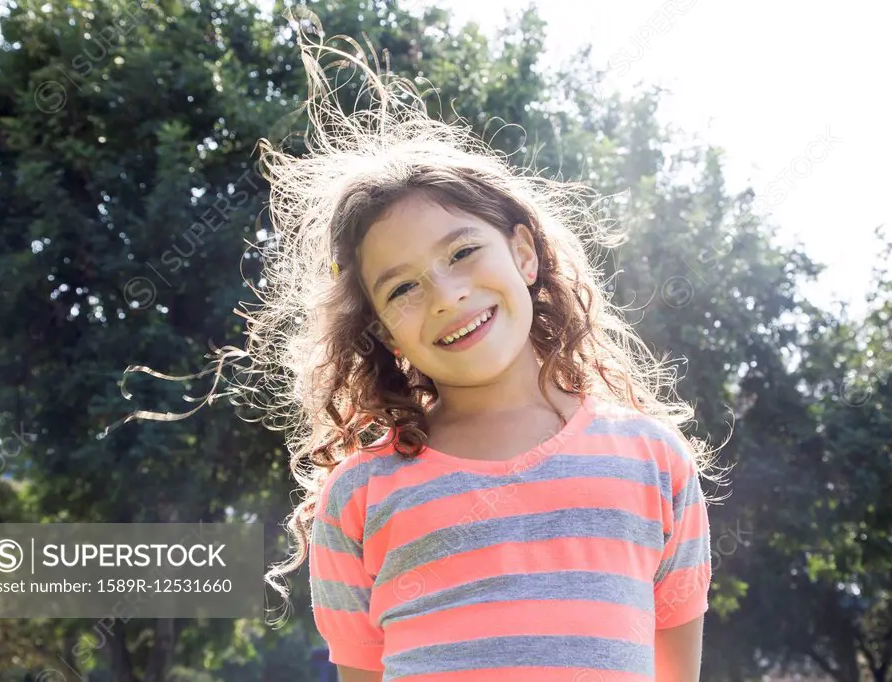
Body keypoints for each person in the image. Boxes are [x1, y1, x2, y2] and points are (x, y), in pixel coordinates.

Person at [243, 19, 722, 682]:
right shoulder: (360, 497)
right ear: (383, 331)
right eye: (403, 287)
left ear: (523, 252)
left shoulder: (653, 463)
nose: (446, 295)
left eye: (463, 251)